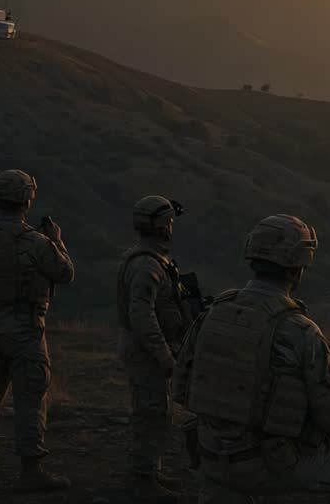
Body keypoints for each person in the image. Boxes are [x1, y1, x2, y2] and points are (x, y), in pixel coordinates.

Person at [173, 214, 330, 504]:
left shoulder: (213, 314)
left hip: (209, 457)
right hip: (265, 464)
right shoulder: (302, 331)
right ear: (299, 267)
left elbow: (181, 390)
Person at [0, 169, 75, 489]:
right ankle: (31, 470)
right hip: (25, 330)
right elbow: (65, 273)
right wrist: (57, 239)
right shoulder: (36, 242)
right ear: (28, 200)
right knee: (30, 397)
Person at [118, 195, 192, 503]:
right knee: (150, 413)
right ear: (161, 226)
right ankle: (143, 480)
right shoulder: (147, 264)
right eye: (169, 222)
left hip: (149, 348)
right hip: (146, 351)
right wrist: (163, 354)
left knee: (157, 412)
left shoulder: (149, 259)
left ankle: (151, 471)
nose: (171, 227)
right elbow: (141, 315)